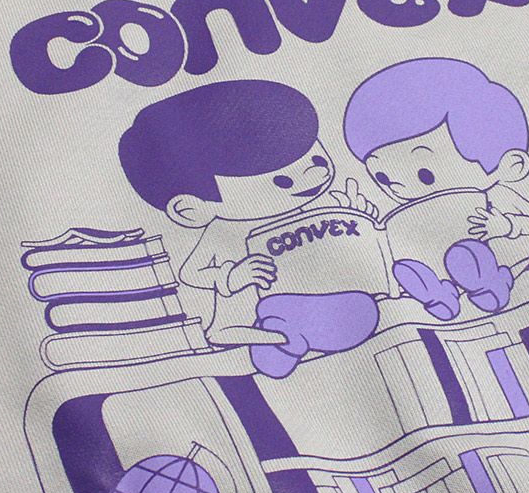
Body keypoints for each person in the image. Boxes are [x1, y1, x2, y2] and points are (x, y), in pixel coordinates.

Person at [119, 79, 378, 377]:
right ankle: (271, 340)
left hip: (303, 299)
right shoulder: (220, 233)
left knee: (359, 305)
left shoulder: (301, 211)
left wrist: (356, 218)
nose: (314, 175)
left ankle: (293, 334)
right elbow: (191, 273)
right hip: (244, 314)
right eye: (283, 181)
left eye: (317, 159)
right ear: (190, 210)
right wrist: (231, 277)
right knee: (251, 326)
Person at [343, 57, 529, 320]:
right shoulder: (413, 207)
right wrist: (365, 222)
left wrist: (507, 226)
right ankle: (439, 295)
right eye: (382, 177)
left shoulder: (495, 195)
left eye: (425, 174)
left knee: (470, 256)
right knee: (422, 264)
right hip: (449, 267)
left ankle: (489, 284)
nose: (397, 185)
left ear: (510, 165)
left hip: (510, 260)